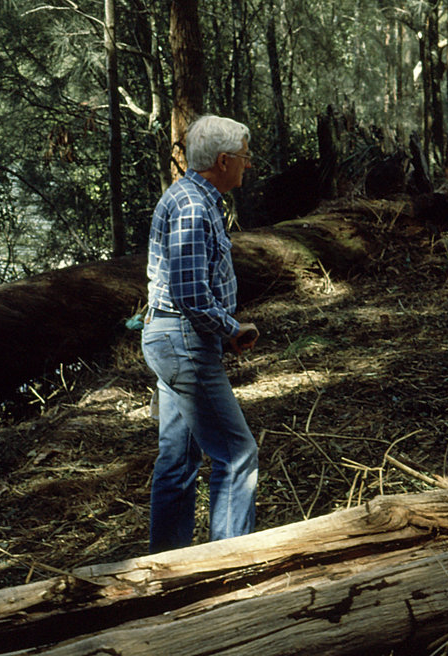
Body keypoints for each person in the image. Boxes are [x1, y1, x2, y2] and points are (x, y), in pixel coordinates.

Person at [141, 114, 260, 554]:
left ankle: (168, 568)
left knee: (178, 460)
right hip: (184, 342)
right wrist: (232, 326)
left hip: (176, 340)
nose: (248, 166)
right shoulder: (192, 205)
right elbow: (190, 295)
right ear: (223, 160)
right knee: (237, 454)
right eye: (244, 158)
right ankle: (228, 571)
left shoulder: (197, 198)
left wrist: (223, 332)